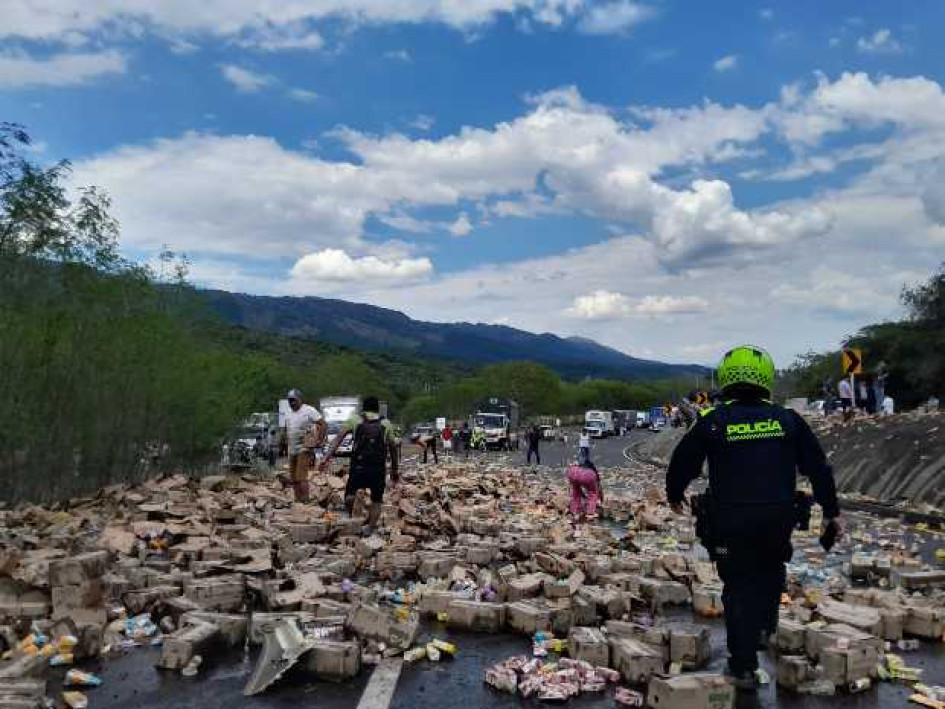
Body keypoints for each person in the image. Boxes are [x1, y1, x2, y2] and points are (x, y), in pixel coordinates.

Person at [666, 345, 841, 691]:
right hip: (778, 519)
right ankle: (764, 625)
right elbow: (819, 468)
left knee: (737, 587)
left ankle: (744, 666)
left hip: (730, 522)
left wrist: (675, 495)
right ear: (766, 377)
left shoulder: (713, 421)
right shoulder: (787, 419)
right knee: (772, 569)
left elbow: (681, 463)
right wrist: (832, 512)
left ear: (726, 378)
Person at [319, 396, 399, 534]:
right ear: (377, 409)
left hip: (359, 465)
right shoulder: (386, 423)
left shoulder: (355, 420)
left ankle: (355, 516)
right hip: (378, 467)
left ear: (363, 408)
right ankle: (369, 529)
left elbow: (338, 438)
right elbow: (392, 447)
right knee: (377, 500)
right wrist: (394, 469)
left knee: (349, 495)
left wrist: (326, 457)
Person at [284, 389, 327, 502]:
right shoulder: (288, 413)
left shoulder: (308, 410)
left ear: (300, 399)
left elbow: (322, 424)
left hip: (304, 448)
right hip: (292, 449)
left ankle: (305, 500)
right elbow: (287, 429)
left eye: (294, 400)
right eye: (290, 400)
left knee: (301, 476)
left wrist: (319, 440)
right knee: (294, 478)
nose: (292, 403)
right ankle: (298, 500)